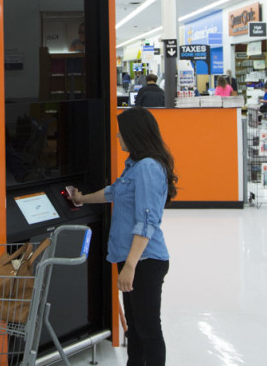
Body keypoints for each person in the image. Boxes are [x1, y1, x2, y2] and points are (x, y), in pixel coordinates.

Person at [69, 107, 178, 366]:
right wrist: (81, 198)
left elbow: (147, 222)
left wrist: (130, 266)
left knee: (149, 330)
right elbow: (112, 192)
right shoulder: (135, 166)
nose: (118, 137)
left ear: (135, 133)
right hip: (131, 259)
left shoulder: (148, 168)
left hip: (144, 261)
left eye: (122, 132)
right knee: (136, 331)